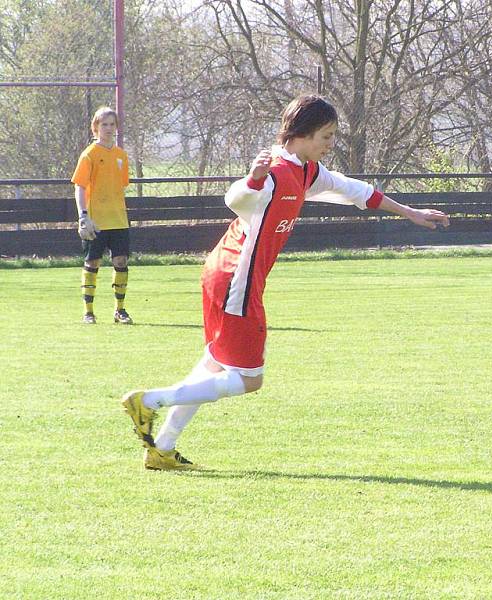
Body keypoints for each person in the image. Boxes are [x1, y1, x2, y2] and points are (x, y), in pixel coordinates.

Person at [122, 94, 450, 471]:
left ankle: (163, 447)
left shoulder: (306, 171)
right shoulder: (275, 173)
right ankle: (148, 402)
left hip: (224, 274)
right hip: (235, 279)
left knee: (214, 364)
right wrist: (253, 178)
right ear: (303, 134)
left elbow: (355, 191)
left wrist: (409, 212)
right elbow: (236, 198)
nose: (330, 144)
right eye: (326, 136)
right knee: (248, 379)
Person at [71, 106, 133, 325]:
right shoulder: (89, 155)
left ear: (116, 127)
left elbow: (121, 185)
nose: (108, 128)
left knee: (121, 261)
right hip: (96, 221)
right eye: (103, 124)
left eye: (111, 124)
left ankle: (120, 310)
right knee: (93, 263)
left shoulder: (121, 156)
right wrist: (83, 216)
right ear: (95, 127)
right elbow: (79, 186)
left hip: (118, 219)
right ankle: (88, 312)